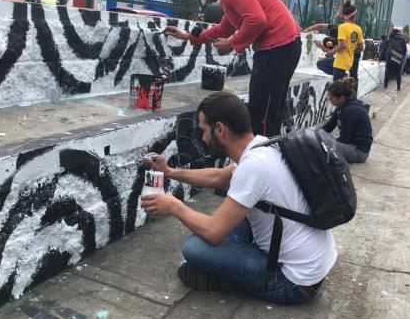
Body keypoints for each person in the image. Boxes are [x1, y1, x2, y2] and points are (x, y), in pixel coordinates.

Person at [141, 92, 336, 304]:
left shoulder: (253, 166)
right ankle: (227, 264)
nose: (203, 138)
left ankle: (225, 275)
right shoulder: (263, 145)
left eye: (204, 130)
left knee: (195, 247)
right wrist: (169, 171)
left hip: (294, 283)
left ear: (220, 129)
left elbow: (214, 233)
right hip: (314, 265)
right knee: (224, 222)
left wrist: (173, 205)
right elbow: (219, 177)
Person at [165, 0, 302, 136]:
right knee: (267, 109)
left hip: (277, 46)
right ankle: (268, 155)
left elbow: (257, 20)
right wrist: (187, 36)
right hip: (284, 45)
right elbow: (224, 28)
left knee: (262, 112)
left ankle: (262, 158)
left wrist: (231, 44)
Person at [322, 78, 373, 163]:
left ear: (341, 98)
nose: (329, 100)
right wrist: (314, 133)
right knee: (320, 139)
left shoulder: (350, 111)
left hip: (359, 151)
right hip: (349, 144)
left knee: (323, 147)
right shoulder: (342, 106)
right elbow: (329, 127)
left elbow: (344, 139)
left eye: (331, 98)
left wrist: (323, 142)